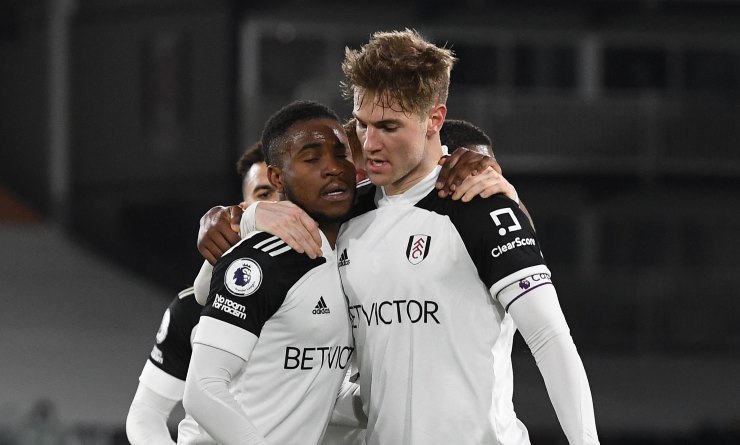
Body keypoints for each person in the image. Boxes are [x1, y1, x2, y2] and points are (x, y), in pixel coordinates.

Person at [334, 28, 599, 444]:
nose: (370, 144)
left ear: (434, 119)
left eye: (388, 126)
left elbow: (549, 337)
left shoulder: (480, 205)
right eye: (362, 124)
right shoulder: (346, 214)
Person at [180, 100, 358, 445]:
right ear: (277, 177)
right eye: (312, 158)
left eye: (342, 155)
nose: (333, 168)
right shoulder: (262, 258)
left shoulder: (345, 256)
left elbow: (302, 389)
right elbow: (202, 390)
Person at [125, 142, 276, 445]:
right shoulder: (194, 304)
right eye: (263, 194)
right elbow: (146, 412)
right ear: (241, 208)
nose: (276, 205)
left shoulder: (335, 290)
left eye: (284, 192)